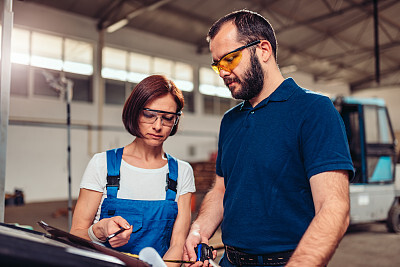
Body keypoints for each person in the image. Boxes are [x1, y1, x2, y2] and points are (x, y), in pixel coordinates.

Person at [183, 9, 354, 267]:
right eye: (217, 64)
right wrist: (199, 230)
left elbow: (334, 208)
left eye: (229, 59)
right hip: (229, 261)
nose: (222, 72)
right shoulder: (230, 121)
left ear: (263, 50)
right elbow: (221, 190)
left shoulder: (314, 110)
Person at [70, 75, 195, 265]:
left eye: (168, 118)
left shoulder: (182, 172)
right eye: (149, 115)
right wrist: (99, 230)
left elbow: (177, 244)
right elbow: (76, 234)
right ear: (134, 112)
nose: (157, 126)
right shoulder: (102, 164)